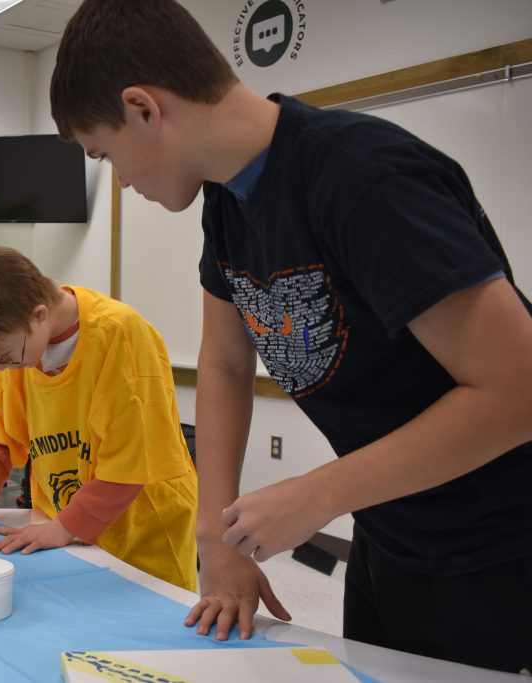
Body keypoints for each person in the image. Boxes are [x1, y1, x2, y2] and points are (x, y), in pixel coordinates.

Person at [49, 0, 532, 674]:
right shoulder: (226, 198)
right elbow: (221, 363)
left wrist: (316, 494)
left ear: (144, 107)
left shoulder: (364, 179)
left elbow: (518, 391)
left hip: (499, 546)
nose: (123, 181)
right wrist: (216, 534)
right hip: (390, 531)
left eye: (105, 153)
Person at [0, 245, 198, 591]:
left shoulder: (120, 334)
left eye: (4, 356)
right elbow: (3, 430)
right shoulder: (23, 348)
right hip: (65, 526)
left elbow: (131, 464)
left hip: (142, 532)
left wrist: (61, 528)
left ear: (39, 314)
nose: (2, 367)